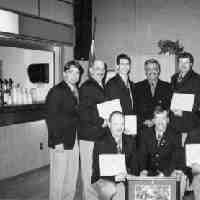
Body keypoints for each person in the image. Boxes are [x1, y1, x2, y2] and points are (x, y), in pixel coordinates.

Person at [45, 60, 83, 200]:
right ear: (64, 74)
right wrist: (57, 142)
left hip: (74, 141)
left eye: (77, 72)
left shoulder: (75, 90)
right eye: (71, 72)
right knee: (58, 180)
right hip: (61, 142)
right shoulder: (56, 91)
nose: (74, 75)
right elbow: (51, 118)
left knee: (71, 178)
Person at [138, 106, 187, 199]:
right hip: (150, 171)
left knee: (181, 177)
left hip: (169, 170)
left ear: (168, 120)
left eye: (163, 118)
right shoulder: (145, 133)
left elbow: (175, 157)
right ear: (153, 120)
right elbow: (142, 155)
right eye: (157, 118)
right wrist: (143, 170)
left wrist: (164, 174)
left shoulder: (175, 134)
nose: (160, 122)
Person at [91, 111, 139, 200]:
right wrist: (114, 178)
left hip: (124, 177)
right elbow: (98, 170)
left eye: (122, 124)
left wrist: (130, 175)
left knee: (129, 187)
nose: (119, 127)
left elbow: (134, 165)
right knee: (113, 188)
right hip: (103, 179)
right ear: (109, 124)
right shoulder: (101, 142)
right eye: (116, 124)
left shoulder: (130, 141)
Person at [79, 60, 108, 200]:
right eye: (97, 68)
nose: (100, 71)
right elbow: (85, 111)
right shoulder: (87, 86)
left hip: (98, 135)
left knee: (96, 171)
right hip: (89, 136)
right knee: (88, 172)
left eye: (102, 68)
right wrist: (101, 121)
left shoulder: (100, 85)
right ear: (90, 70)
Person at [170, 52, 200, 135]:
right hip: (174, 121)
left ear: (191, 64)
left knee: (188, 147)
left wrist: (183, 112)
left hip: (189, 121)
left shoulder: (198, 79)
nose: (183, 65)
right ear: (178, 64)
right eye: (181, 62)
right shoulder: (174, 77)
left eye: (186, 62)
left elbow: (199, 101)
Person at [134, 58, 172, 130]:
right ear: (145, 72)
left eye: (155, 68)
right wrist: (143, 121)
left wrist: (159, 120)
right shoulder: (136, 87)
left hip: (162, 126)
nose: (152, 71)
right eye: (149, 69)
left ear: (158, 71)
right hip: (143, 128)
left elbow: (170, 108)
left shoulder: (168, 87)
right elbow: (134, 109)